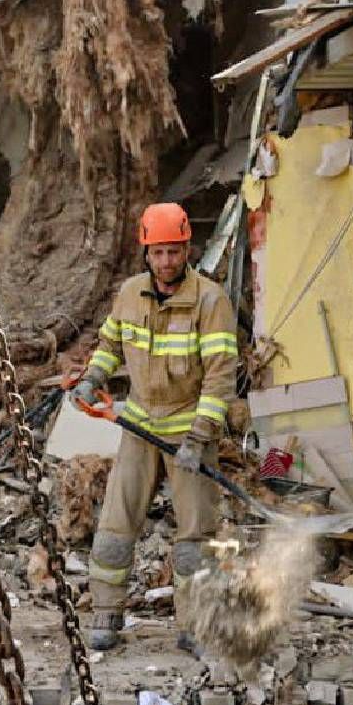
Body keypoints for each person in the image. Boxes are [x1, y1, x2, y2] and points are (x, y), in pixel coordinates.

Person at [70, 202, 241, 651]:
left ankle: (195, 627)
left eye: (174, 251)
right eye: (158, 252)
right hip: (140, 426)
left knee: (194, 542)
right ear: (146, 252)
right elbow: (110, 342)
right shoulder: (129, 294)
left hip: (190, 434)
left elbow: (221, 375)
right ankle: (106, 616)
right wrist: (92, 378)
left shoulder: (210, 300)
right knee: (113, 529)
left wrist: (200, 437)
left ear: (188, 249)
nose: (166, 261)